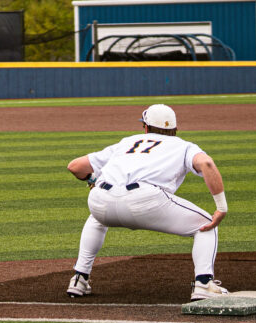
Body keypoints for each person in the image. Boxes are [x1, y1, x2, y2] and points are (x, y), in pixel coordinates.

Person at [66, 104, 229, 301]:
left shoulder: (127, 142)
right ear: (175, 129)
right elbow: (207, 164)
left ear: (145, 127)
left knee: (97, 218)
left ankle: (79, 279)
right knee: (206, 224)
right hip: (146, 200)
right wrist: (221, 207)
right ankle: (204, 284)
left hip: (100, 199)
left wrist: (92, 181)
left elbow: (75, 166)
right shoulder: (184, 145)